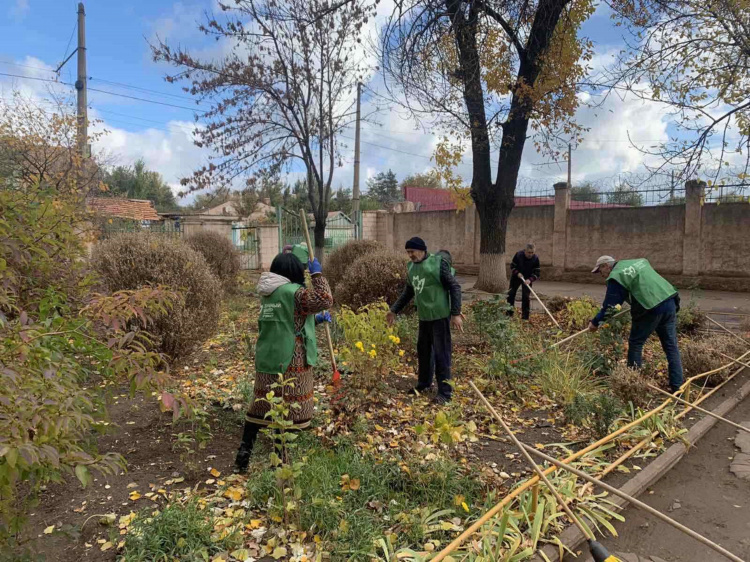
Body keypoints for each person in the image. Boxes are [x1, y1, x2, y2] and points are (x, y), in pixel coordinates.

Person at [234, 252, 333, 473]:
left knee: (261, 406)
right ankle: (279, 462)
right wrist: (317, 274)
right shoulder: (295, 292)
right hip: (291, 359)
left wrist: (314, 319)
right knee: (287, 410)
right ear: (295, 272)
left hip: (268, 357)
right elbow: (325, 299)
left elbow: (286, 320)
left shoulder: (269, 292)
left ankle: (243, 456)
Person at [588, 255, 684, 393]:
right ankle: (678, 388)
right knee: (671, 346)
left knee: (635, 343)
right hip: (669, 301)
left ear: (606, 266)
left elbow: (611, 306)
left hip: (650, 308)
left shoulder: (617, 276)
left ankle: (632, 385)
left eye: (600, 271)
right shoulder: (636, 262)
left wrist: (595, 322)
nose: (601, 275)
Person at [386, 237, 463, 405]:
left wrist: (456, 313)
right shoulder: (412, 267)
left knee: (441, 354)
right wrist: (394, 310)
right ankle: (424, 384)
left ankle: (445, 393)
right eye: (408, 252)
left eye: (412, 251)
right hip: (424, 317)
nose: (410, 255)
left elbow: (454, 286)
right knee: (423, 351)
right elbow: (408, 291)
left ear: (422, 250)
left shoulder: (438, 264)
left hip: (440, 317)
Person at [506, 242, 541, 320]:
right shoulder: (518, 255)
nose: (530, 254)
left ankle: (525, 318)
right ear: (525, 251)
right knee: (511, 294)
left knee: (526, 297)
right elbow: (512, 266)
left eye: (532, 252)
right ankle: (509, 314)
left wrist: (530, 279)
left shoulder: (535, 258)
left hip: (528, 279)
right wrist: (517, 273)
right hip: (517, 277)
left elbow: (537, 273)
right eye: (529, 252)